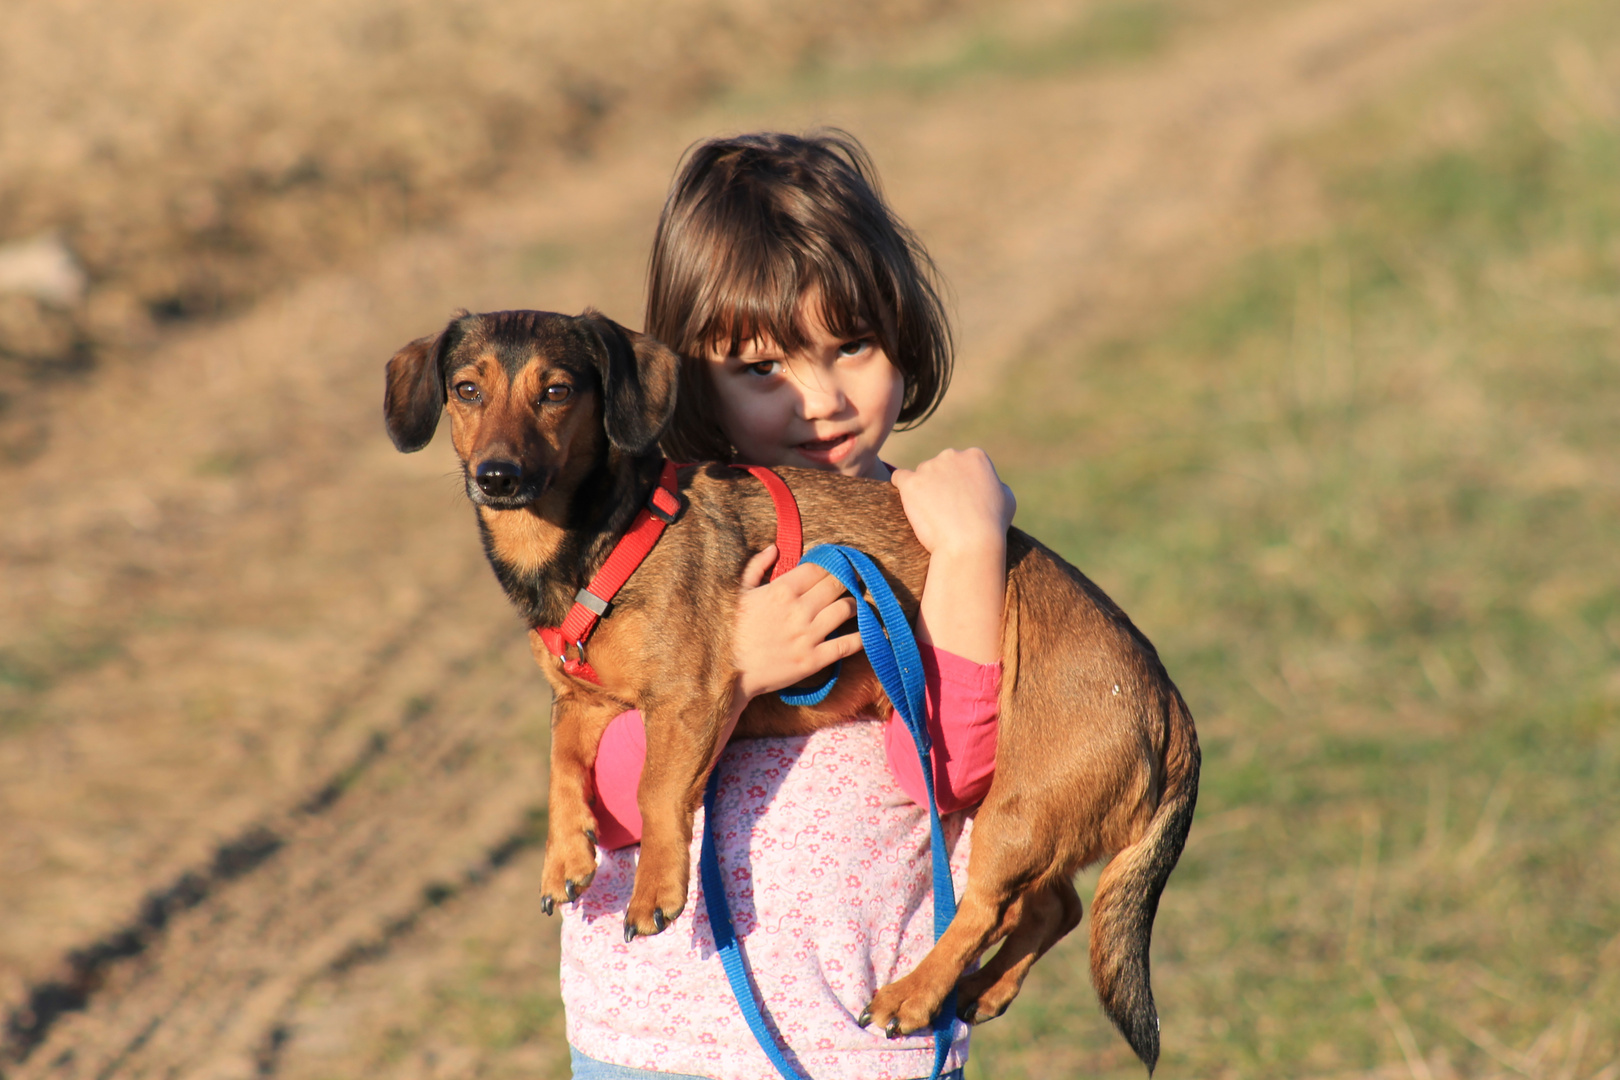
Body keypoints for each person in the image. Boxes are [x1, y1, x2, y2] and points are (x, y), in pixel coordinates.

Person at [561, 131, 1016, 1080]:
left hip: (846, 1039)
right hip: (643, 1037)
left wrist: (972, 558)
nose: (820, 400)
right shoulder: (648, 542)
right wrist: (732, 675)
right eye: (760, 369)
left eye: (852, 346)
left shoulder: (930, 534)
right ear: (687, 376)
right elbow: (603, 808)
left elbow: (951, 779)